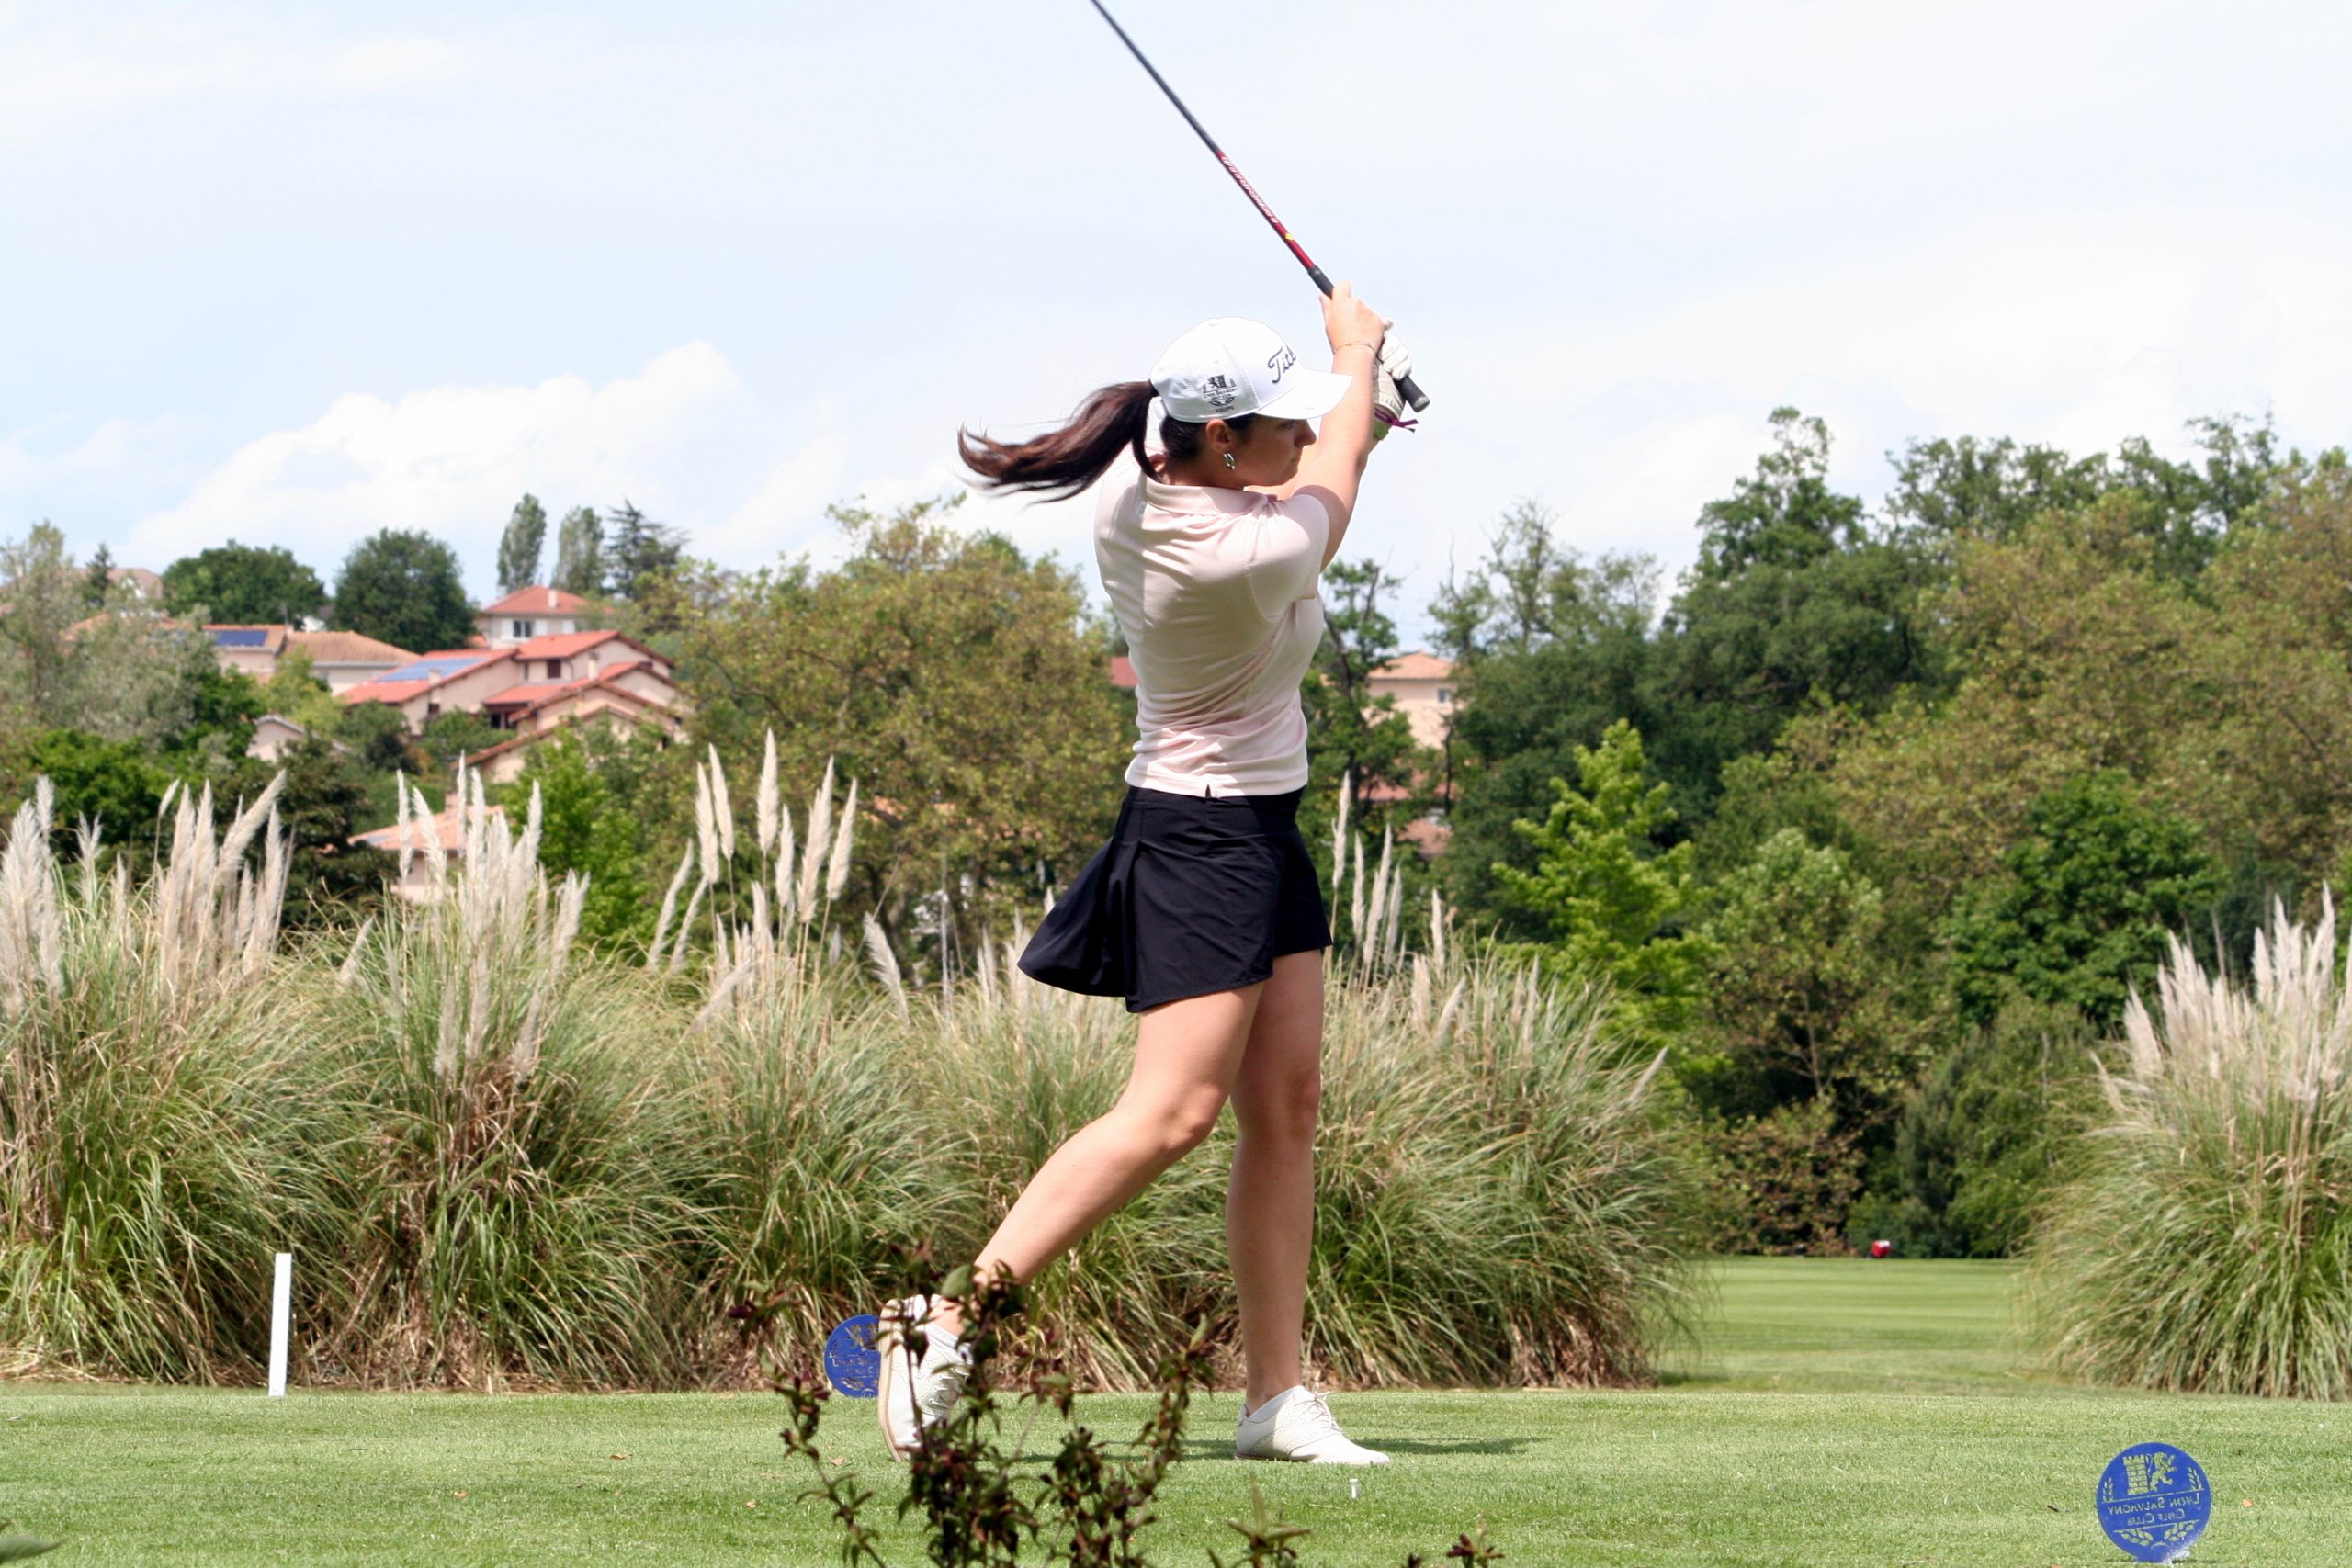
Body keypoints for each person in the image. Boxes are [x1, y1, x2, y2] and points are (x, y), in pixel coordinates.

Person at [875, 285, 1409, 1468]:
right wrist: (1358, 355)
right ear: (1220, 440)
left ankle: (1275, 1399)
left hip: (1260, 828)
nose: (1300, 434)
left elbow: (1323, 449)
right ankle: (946, 1321)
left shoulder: (1148, 483)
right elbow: (1333, 475)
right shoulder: (1245, 549)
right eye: (1280, 422)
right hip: (1199, 838)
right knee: (1172, 1113)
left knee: (1288, 1108)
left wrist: (1360, 398)